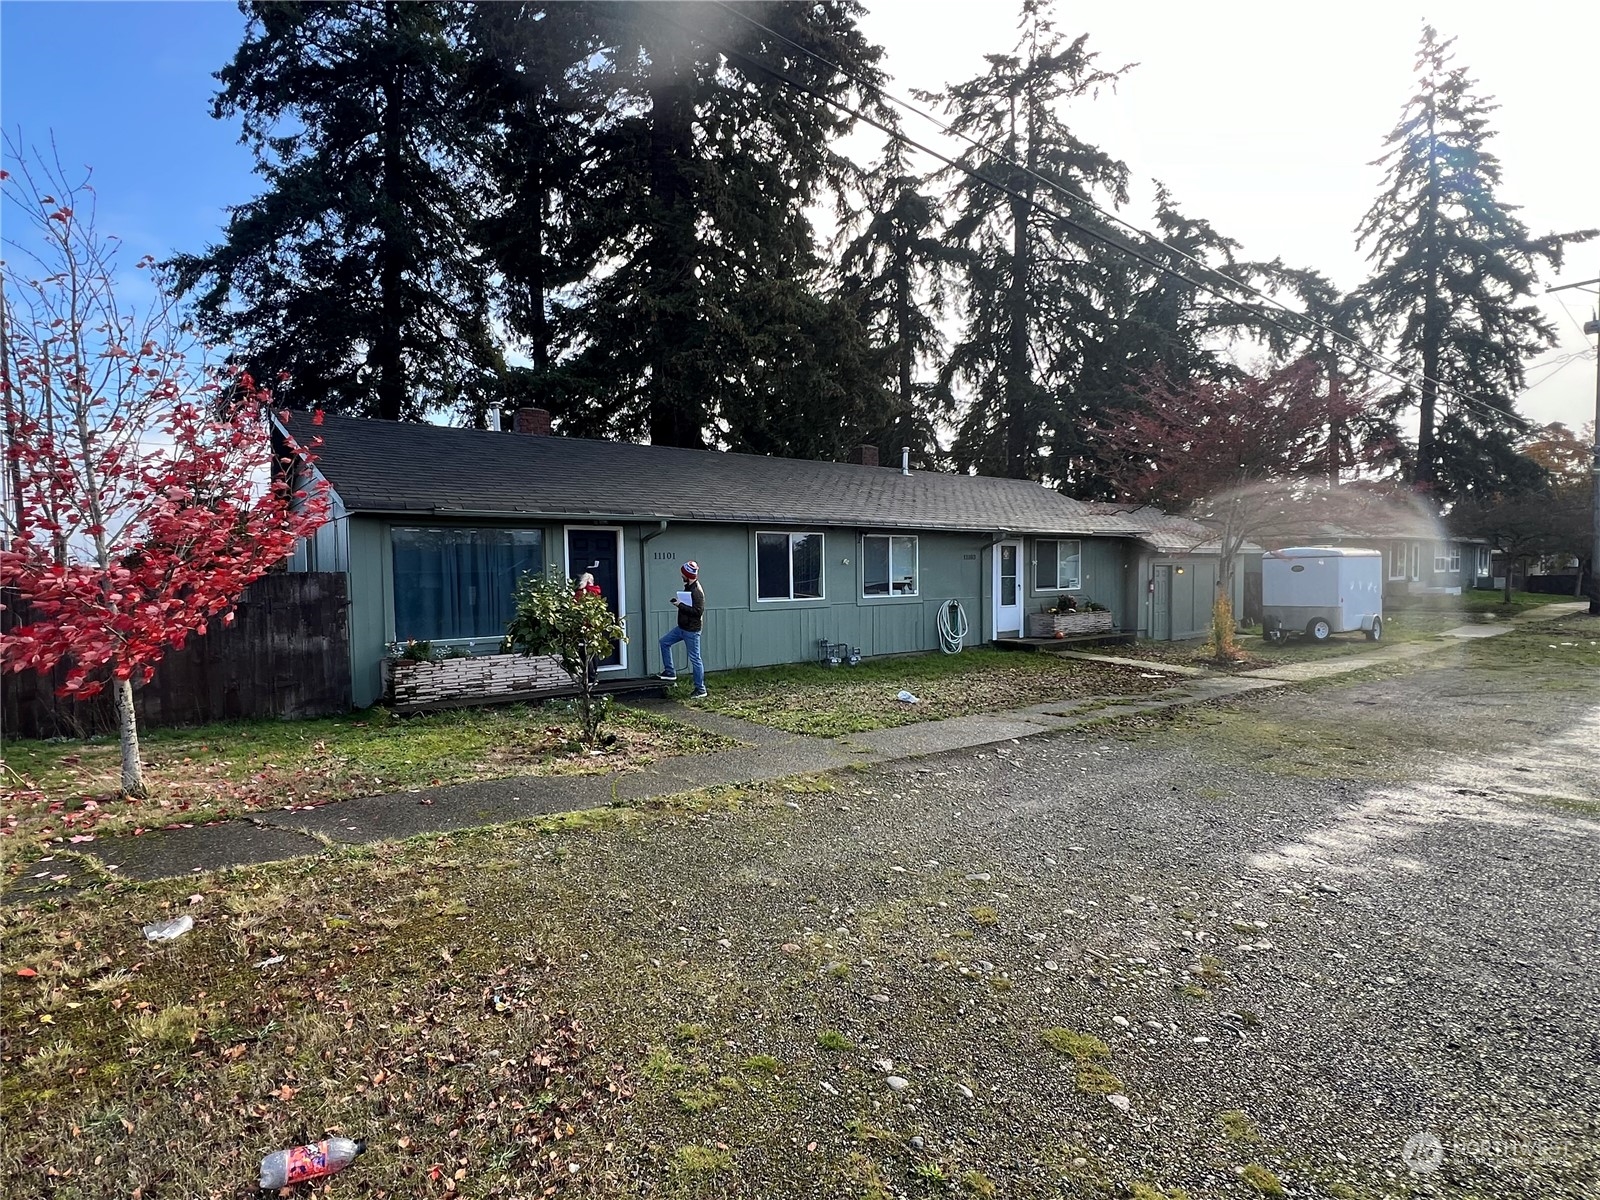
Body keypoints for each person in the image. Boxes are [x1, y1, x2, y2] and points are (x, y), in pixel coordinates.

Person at [657, 560, 707, 698]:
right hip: (682, 628)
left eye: (683, 574)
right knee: (664, 642)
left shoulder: (697, 591)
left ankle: (700, 689)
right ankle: (670, 672)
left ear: (688, 575)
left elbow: (698, 612)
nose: (681, 576)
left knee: (695, 659)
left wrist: (679, 605)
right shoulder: (688, 587)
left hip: (692, 630)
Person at [575, 570, 602, 683]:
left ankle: (589, 677)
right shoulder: (596, 592)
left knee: (584, 652)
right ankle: (594, 674)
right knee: (593, 651)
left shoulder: (580, 594)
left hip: (583, 627)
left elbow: (575, 608)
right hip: (594, 626)